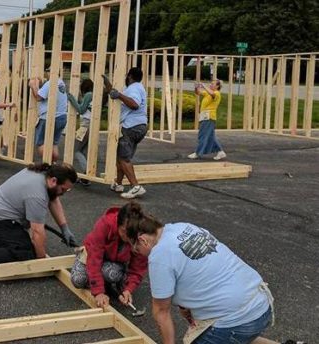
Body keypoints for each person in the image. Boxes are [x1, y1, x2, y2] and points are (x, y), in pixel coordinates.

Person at [127, 216, 274, 344]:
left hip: (237, 320)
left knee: (231, 333)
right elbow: (196, 269)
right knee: (238, 335)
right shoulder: (183, 227)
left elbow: (161, 311)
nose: (140, 255)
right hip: (262, 305)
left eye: (137, 250)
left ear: (143, 240)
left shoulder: (159, 255)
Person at [0, 162, 78, 267]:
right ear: (54, 181)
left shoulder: (43, 174)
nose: (63, 193)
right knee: (25, 253)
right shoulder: (37, 193)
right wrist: (40, 261)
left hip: (0, 217)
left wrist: (64, 228)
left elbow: (54, 198)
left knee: (27, 248)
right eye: (63, 189)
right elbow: (37, 231)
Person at [70, 201, 148, 309]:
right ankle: (101, 284)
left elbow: (138, 268)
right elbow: (94, 259)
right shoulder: (105, 224)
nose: (127, 237)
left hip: (114, 263)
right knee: (78, 280)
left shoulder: (141, 235)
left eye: (131, 234)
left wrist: (128, 289)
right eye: (124, 231)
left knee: (113, 274)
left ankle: (108, 283)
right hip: (92, 256)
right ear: (118, 224)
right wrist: (98, 292)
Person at [104, 67, 147, 199]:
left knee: (123, 158)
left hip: (133, 127)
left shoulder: (134, 88)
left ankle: (136, 186)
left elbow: (134, 104)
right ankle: (118, 183)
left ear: (130, 76)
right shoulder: (135, 87)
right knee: (121, 157)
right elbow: (116, 94)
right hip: (137, 126)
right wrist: (108, 84)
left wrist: (120, 96)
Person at [29, 71, 68, 162]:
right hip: (62, 117)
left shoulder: (50, 83)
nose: (46, 73)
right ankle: (53, 164)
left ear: (51, 72)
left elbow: (39, 97)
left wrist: (33, 86)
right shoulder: (61, 83)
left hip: (49, 117)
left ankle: (47, 164)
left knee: (41, 143)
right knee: (54, 143)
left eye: (47, 70)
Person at [188, 80, 227, 160]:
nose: (210, 85)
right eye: (211, 83)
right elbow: (198, 93)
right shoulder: (207, 93)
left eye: (213, 84)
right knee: (210, 136)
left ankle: (197, 153)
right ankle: (220, 152)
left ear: (217, 86)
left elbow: (212, 94)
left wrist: (203, 86)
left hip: (209, 117)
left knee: (202, 135)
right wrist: (196, 87)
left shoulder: (216, 93)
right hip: (205, 116)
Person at [67, 78, 93, 186]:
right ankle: (85, 177)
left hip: (86, 126)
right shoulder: (93, 95)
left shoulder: (88, 95)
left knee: (77, 151)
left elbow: (81, 110)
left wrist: (72, 99)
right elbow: (83, 107)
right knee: (83, 151)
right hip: (90, 125)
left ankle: (87, 173)